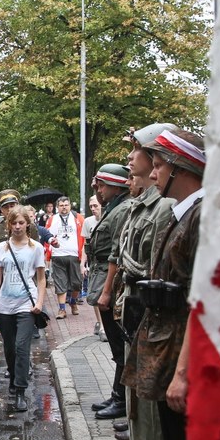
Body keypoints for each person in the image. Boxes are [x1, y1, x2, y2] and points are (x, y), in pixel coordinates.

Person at [121, 128, 205, 440]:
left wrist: (185, 371)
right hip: (162, 338)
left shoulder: (201, 216)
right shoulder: (184, 213)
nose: (152, 175)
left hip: (177, 346)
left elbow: (202, 300)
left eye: (158, 165)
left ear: (181, 168)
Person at [101, 124, 179, 440]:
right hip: (133, 313)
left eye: (137, 152)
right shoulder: (139, 204)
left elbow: (149, 267)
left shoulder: (163, 208)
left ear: (157, 163)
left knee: (149, 420)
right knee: (137, 418)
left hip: (149, 316)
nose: (130, 160)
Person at [0, 207, 47, 412]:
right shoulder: (1, 248)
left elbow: (41, 278)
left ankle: (20, 391)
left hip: (26, 305)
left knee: (22, 347)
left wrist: (39, 302)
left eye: (21, 223)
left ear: (27, 224)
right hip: (5, 305)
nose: (18, 226)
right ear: (8, 225)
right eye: (14, 223)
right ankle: (14, 377)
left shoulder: (36, 247)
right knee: (10, 348)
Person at [85, 164, 132, 422]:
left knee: (118, 343)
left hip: (110, 281)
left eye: (102, 185)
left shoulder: (121, 210)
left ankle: (121, 398)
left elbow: (116, 254)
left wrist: (106, 292)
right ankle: (117, 395)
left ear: (116, 185)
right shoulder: (113, 207)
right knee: (116, 347)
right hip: (102, 274)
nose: (98, 189)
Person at [46, 196, 84, 318]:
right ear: (57, 207)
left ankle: (73, 302)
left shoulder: (78, 218)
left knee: (76, 283)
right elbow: (47, 236)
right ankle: (62, 309)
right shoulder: (52, 219)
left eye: (66, 205)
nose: (64, 207)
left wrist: (83, 256)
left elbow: (84, 236)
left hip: (74, 255)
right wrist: (48, 255)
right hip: (58, 255)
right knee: (60, 282)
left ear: (70, 206)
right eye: (61, 205)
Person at [0, 189, 38, 254]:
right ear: (1, 210)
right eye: (6, 207)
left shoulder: (30, 226)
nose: (9, 209)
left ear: (18, 206)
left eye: (12, 206)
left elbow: (36, 250)